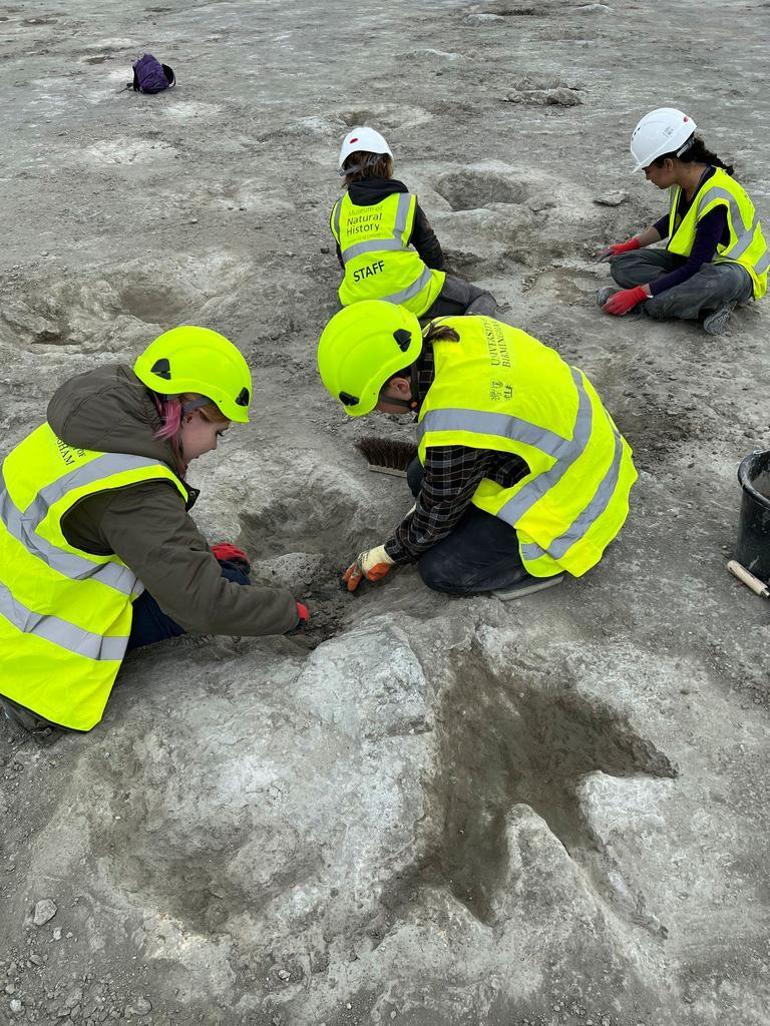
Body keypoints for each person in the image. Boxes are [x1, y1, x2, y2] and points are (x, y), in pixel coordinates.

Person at [0, 326, 308, 738]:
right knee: (229, 585)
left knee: (210, 572)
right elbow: (201, 605)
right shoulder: (135, 489)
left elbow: (136, 529)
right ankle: (33, 698)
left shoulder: (98, 417)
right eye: (218, 432)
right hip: (35, 650)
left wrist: (199, 555)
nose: (215, 446)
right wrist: (287, 613)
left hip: (23, 590)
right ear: (191, 412)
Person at [316, 301, 637, 599]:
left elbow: (435, 516)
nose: (382, 413)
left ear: (401, 386)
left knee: (441, 570)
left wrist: (387, 554)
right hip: (572, 445)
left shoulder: (457, 421)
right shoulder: (450, 331)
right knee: (420, 475)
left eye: (377, 404)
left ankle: (540, 568)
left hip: (575, 500)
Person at [597, 107, 768, 335]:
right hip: (694, 265)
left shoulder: (716, 196)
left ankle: (666, 302)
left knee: (662, 300)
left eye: (648, 170)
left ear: (668, 164)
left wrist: (638, 294)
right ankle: (695, 302)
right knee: (622, 265)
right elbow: (672, 220)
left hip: (733, 271)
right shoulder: (684, 182)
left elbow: (696, 265)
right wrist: (630, 246)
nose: (647, 178)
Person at [330, 126, 497, 320]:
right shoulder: (404, 202)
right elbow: (430, 251)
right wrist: (441, 281)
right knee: (481, 298)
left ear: (347, 172)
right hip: (412, 298)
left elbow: (346, 261)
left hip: (360, 306)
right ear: (385, 163)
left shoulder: (339, 211)